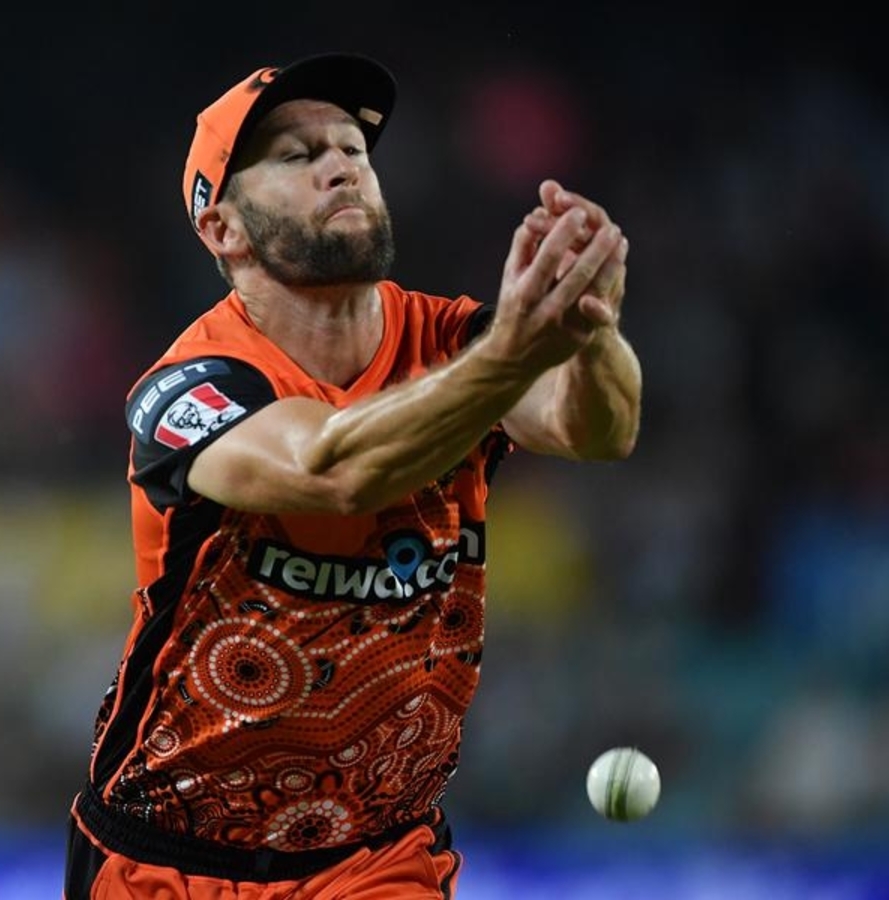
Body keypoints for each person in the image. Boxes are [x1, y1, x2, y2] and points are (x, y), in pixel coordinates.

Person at [64, 51, 641, 899]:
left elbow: (597, 431)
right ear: (223, 229)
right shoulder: (189, 388)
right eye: (297, 156)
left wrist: (591, 328)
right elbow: (332, 471)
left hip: (376, 860)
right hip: (168, 861)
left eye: (352, 149)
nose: (340, 166)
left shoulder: (455, 341)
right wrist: (512, 356)